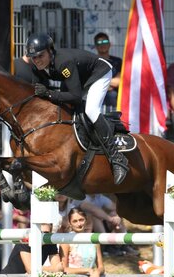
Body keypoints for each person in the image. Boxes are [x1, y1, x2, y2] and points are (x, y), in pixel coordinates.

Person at [25, 32, 128, 185]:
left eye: (40, 55)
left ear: (50, 51)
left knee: (91, 110)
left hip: (98, 73)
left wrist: (49, 93)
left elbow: (75, 96)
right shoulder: (36, 67)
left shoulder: (63, 63)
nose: (37, 60)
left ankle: (117, 158)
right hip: (78, 77)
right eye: (33, 57)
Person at [60, 208, 105, 277]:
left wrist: (97, 272)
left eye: (81, 220)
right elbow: (64, 269)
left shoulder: (93, 240)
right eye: (75, 221)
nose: (79, 224)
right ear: (70, 223)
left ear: (86, 220)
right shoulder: (66, 241)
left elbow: (101, 267)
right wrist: (88, 270)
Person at [92, 32, 122, 113]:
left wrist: (100, 82)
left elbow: (118, 82)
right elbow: (91, 82)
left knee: (112, 95)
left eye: (105, 41)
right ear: (95, 46)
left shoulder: (117, 61)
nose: (102, 44)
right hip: (96, 94)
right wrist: (109, 83)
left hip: (112, 96)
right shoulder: (92, 61)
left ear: (109, 44)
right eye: (99, 42)